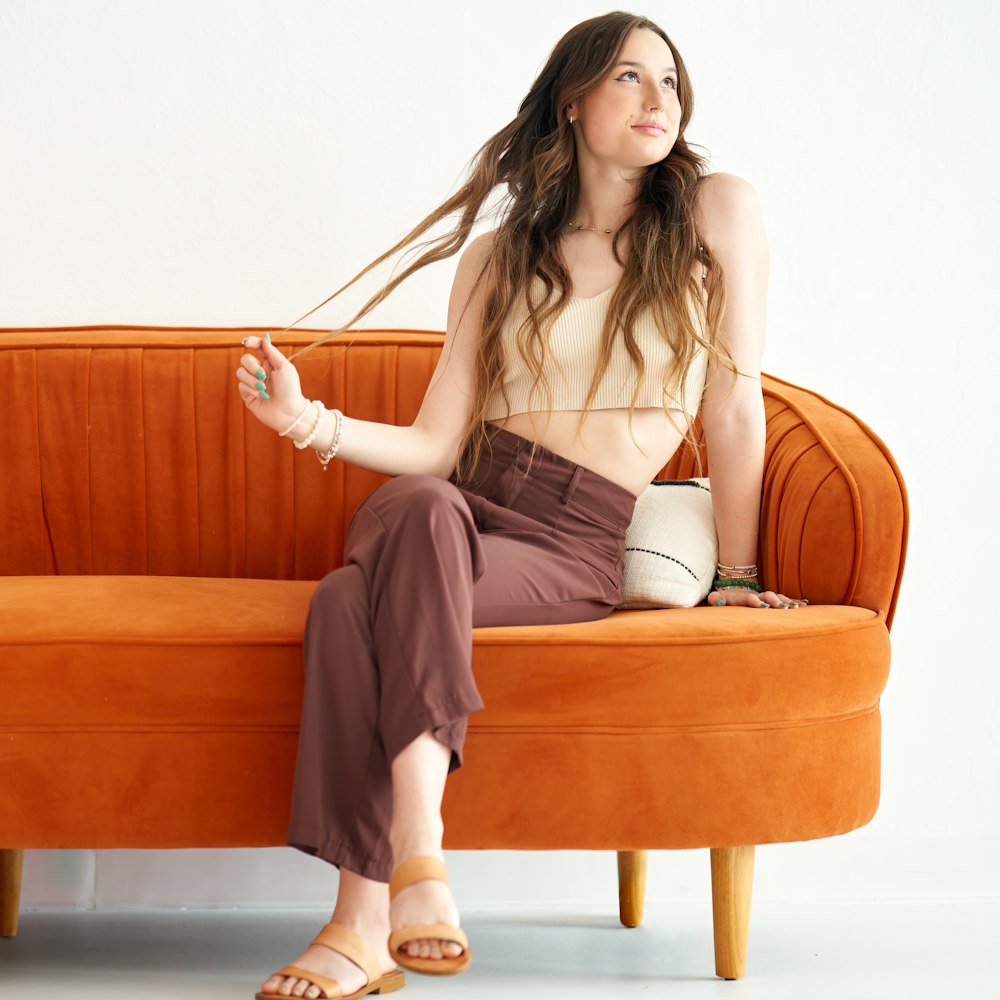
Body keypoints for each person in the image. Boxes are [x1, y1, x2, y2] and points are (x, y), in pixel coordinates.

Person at [236, 10, 806, 1000]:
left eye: (670, 82)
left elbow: (735, 400)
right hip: (459, 501)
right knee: (418, 507)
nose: (657, 99)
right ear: (574, 100)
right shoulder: (499, 260)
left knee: (341, 605)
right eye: (629, 78)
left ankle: (358, 921)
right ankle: (421, 858)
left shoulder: (717, 211)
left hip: (574, 536)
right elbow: (431, 450)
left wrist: (739, 574)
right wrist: (305, 419)